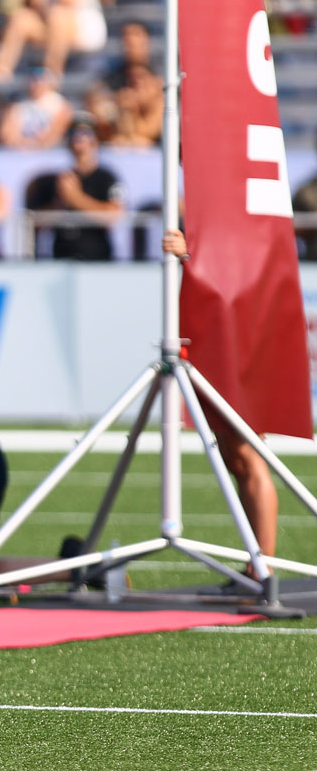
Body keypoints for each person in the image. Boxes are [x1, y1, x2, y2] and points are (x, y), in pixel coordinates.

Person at [162, 228, 279, 595]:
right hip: (215, 329)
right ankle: (255, 562)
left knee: (247, 449)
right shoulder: (204, 205)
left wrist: (191, 254)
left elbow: (240, 261)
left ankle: (264, 567)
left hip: (243, 327)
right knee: (234, 455)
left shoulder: (235, 204)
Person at [27, 118, 124, 260]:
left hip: (96, 258)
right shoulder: (58, 179)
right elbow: (36, 220)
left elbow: (114, 215)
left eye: (85, 134)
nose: (79, 139)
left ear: (95, 140)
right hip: (62, 256)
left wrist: (75, 198)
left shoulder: (106, 178)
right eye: (74, 134)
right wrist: (59, 204)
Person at [0, 0, 108, 82]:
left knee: (58, 16)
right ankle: (0, 69)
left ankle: (51, 74)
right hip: (50, 25)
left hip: (85, 29)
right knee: (22, 18)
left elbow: (67, 3)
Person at [0, 66, 73, 150]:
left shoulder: (60, 104)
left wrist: (38, 144)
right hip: (19, 152)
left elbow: (56, 133)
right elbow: (6, 133)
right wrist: (23, 144)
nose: (36, 84)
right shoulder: (18, 103)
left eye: (40, 80)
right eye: (34, 80)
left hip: (50, 152)